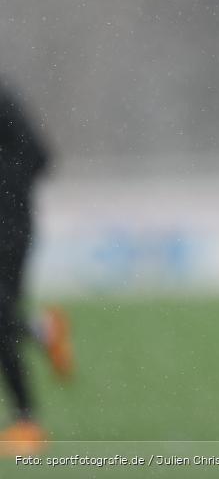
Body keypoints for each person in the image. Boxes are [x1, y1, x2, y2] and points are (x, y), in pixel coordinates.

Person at [0, 77, 72, 455]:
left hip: (8, 227)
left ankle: (27, 423)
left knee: (0, 318)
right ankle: (41, 330)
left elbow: (41, 158)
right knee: (2, 318)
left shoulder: (3, 100)